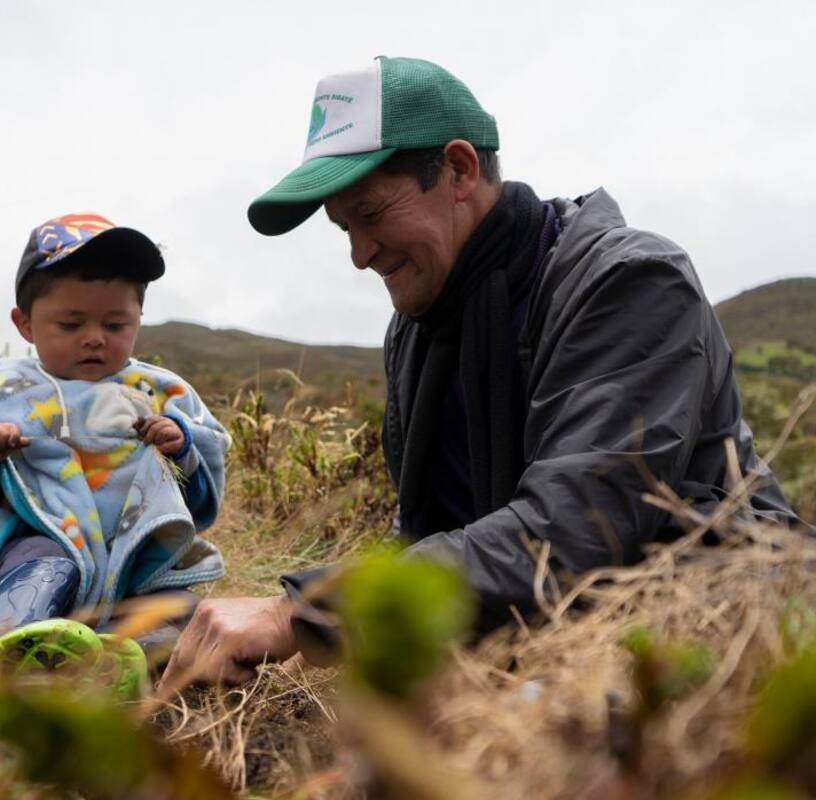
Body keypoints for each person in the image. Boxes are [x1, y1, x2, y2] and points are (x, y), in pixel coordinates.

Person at [161, 56, 804, 687]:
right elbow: (430, 527)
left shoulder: (628, 283)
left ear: (460, 170)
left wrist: (307, 612)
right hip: (550, 644)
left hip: (725, 633)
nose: (359, 254)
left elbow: (577, 530)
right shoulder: (419, 326)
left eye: (371, 214)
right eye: (343, 228)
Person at [0, 213, 230, 697]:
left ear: (138, 319)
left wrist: (183, 446)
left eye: (115, 324)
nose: (94, 337)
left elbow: (203, 493)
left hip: (136, 574)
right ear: (24, 324)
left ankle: (107, 661)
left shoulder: (160, 393)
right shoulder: (5, 391)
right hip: (36, 553)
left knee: (186, 613)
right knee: (44, 567)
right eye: (71, 323)